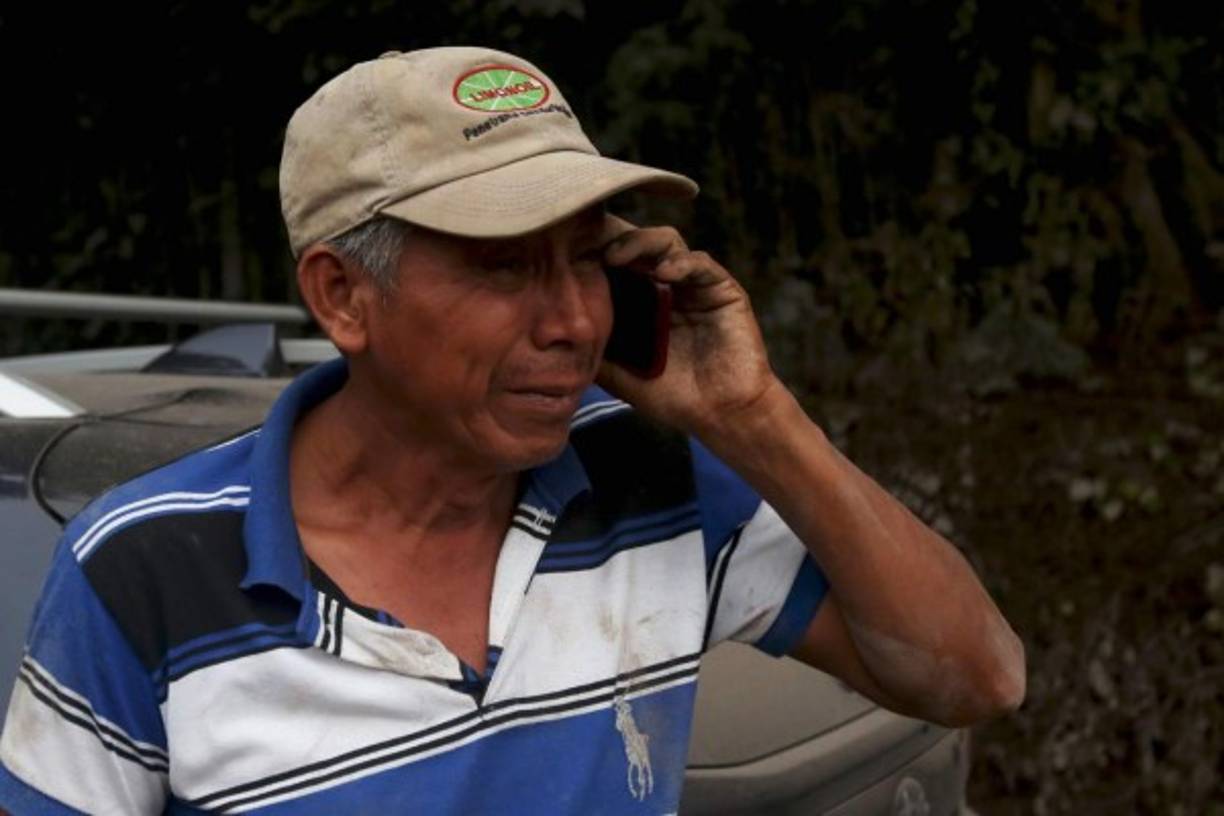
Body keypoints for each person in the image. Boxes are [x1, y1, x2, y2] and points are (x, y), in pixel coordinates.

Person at [0, 47, 1025, 814]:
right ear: (343, 296)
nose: (575, 320)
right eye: (504, 266)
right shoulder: (143, 569)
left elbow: (974, 676)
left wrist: (754, 418)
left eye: (587, 259)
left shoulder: (647, 479)